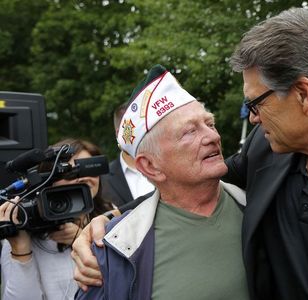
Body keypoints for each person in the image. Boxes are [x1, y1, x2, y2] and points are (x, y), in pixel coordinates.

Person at [72, 8, 308, 300]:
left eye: (256, 103)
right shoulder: (265, 151)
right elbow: (185, 187)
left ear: (303, 93)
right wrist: (107, 222)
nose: (252, 117)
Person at [74, 65, 249, 299]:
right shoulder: (114, 249)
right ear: (151, 166)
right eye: (190, 132)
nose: (213, 137)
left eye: (210, 123)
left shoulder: (261, 205)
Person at [0, 138, 114, 300]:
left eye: (89, 170)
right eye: (70, 172)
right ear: (48, 180)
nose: (82, 178)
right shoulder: (23, 226)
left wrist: (85, 239)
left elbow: (129, 279)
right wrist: (21, 249)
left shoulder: (112, 214)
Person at [101, 102, 155, 207]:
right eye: (134, 129)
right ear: (119, 134)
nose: (142, 133)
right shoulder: (103, 180)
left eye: (144, 127)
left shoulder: (167, 167)